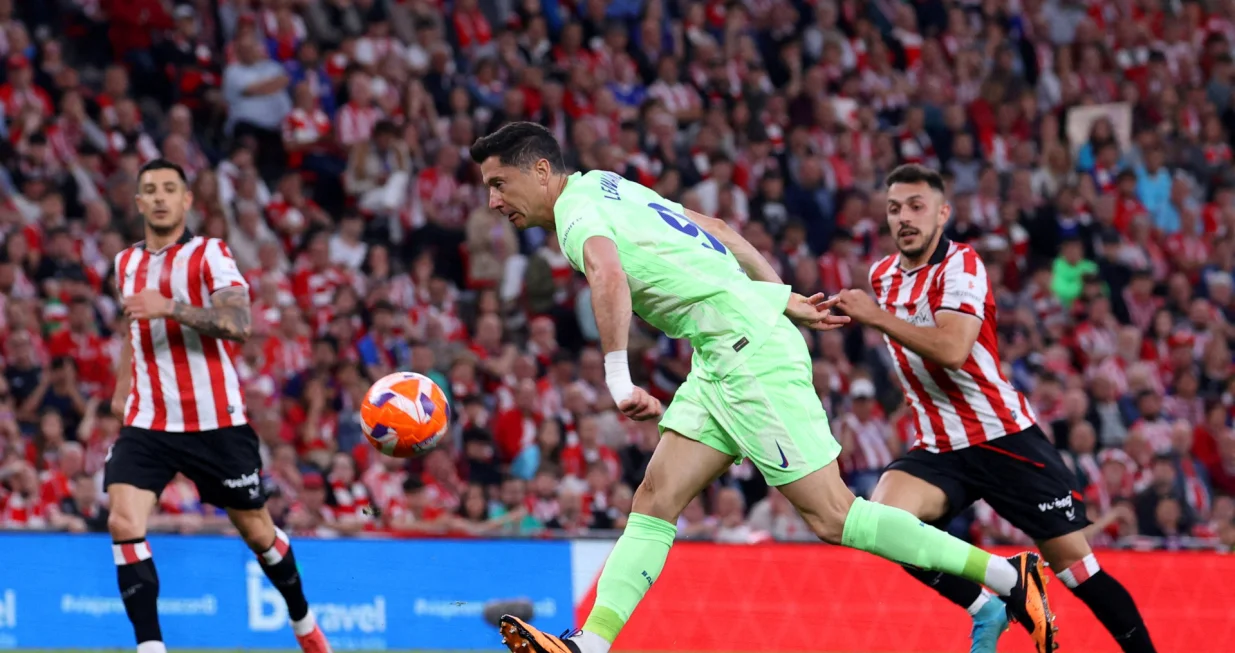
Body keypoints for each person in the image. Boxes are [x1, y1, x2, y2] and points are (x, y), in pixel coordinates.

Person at [469, 122, 1055, 653]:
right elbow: (718, 230)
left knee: (835, 517)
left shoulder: (576, 214)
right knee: (654, 500)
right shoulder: (606, 184)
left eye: (499, 183)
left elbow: (608, 273)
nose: (494, 200)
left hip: (744, 352)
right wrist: (780, 297)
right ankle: (591, 647)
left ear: (541, 171)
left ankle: (1008, 576)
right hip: (723, 349)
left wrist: (618, 377)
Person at [835, 164, 1156, 653]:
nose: (904, 218)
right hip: (939, 445)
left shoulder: (962, 265)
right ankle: (987, 604)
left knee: (1079, 572)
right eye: (895, 208)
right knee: (882, 524)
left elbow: (952, 350)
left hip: (1001, 435)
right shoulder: (882, 276)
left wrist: (873, 316)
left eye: (916, 206)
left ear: (942, 213)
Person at [106, 159, 332, 653]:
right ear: (139, 203)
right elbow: (134, 330)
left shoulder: (211, 253)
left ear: (187, 201)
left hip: (216, 422)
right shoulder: (125, 264)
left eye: (170, 189)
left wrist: (172, 307)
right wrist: (123, 388)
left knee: (258, 533)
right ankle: (150, 648)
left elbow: (238, 322)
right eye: (150, 190)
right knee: (123, 520)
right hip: (149, 420)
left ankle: (304, 623)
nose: (160, 197)